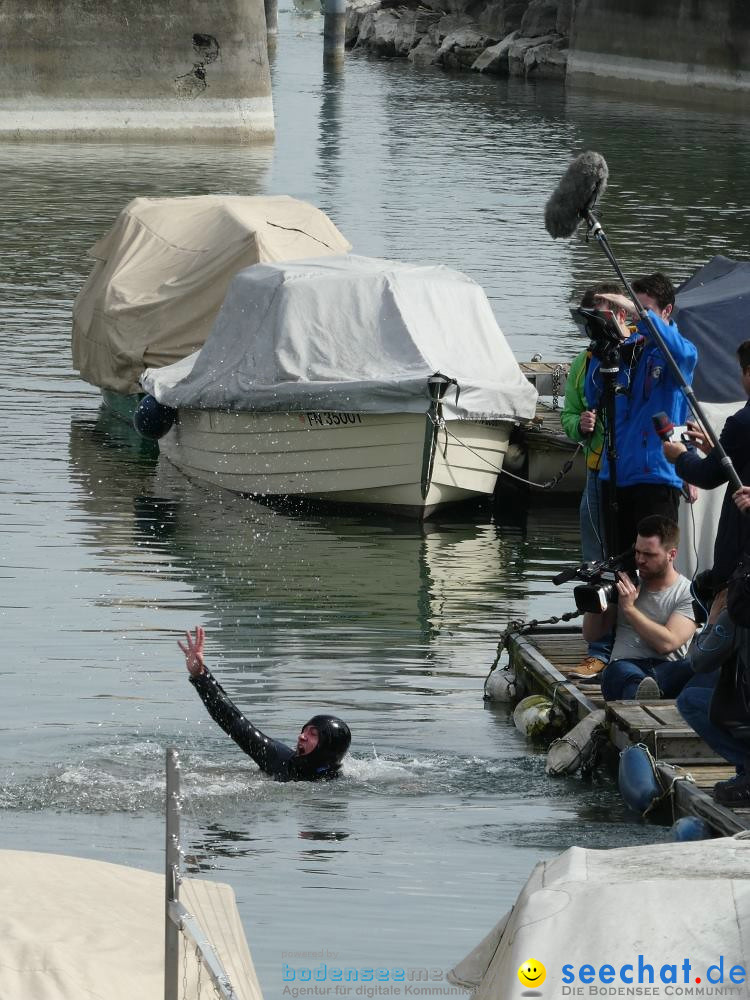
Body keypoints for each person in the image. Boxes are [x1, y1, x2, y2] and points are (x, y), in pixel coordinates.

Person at [584, 273, 698, 557]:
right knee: (619, 568)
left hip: (656, 476)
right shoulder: (627, 350)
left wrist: (637, 312)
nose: (637, 318)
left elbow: (685, 354)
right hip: (616, 474)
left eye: (644, 310)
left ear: (666, 311)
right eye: (634, 311)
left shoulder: (678, 354)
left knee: (655, 565)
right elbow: (594, 393)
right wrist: (604, 346)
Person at [179, 626, 351, 782]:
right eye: (304, 730)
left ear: (327, 748)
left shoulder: (339, 785)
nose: (301, 736)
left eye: (313, 734)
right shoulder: (279, 760)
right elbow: (235, 722)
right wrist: (201, 676)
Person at [561, 281, 621, 679]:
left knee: (633, 560)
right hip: (598, 471)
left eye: (607, 310)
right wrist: (581, 426)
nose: (599, 319)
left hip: (634, 475)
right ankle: (598, 648)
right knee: (594, 563)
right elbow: (568, 414)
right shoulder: (583, 362)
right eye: (593, 312)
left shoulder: (635, 353)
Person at [663, 339, 750, 589]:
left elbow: (708, 476)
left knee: (724, 614)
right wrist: (715, 450)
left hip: (741, 547)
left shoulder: (742, 422)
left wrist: (679, 455)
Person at [583, 515, 697, 701]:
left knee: (697, 666)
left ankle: (646, 693)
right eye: (637, 552)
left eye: (649, 555)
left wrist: (629, 609)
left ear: (672, 554)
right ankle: (642, 695)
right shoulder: (626, 582)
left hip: (668, 669)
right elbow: (592, 635)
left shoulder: (688, 592)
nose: (640, 560)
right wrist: (595, 598)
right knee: (620, 672)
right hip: (626, 665)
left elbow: (667, 644)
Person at [676, 594, 750, 804]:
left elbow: (699, 662)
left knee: (689, 700)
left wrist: (713, 621)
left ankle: (747, 765)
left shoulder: (739, 612)